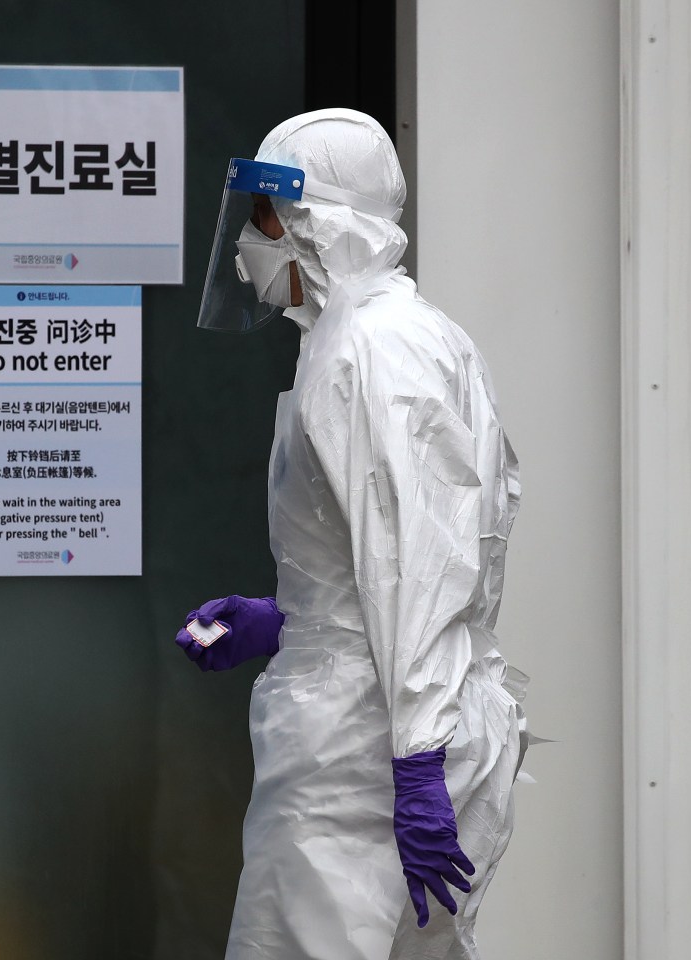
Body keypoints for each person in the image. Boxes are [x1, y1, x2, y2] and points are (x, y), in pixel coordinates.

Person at [175, 109, 529, 958]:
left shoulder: (374, 349)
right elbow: (387, 545)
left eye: (266, 216)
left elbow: (424, 565)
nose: (249, 240)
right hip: (382, 724)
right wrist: (292, 617)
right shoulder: (374, 335)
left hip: (364, 749)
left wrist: (417, 759)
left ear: (318, 222)